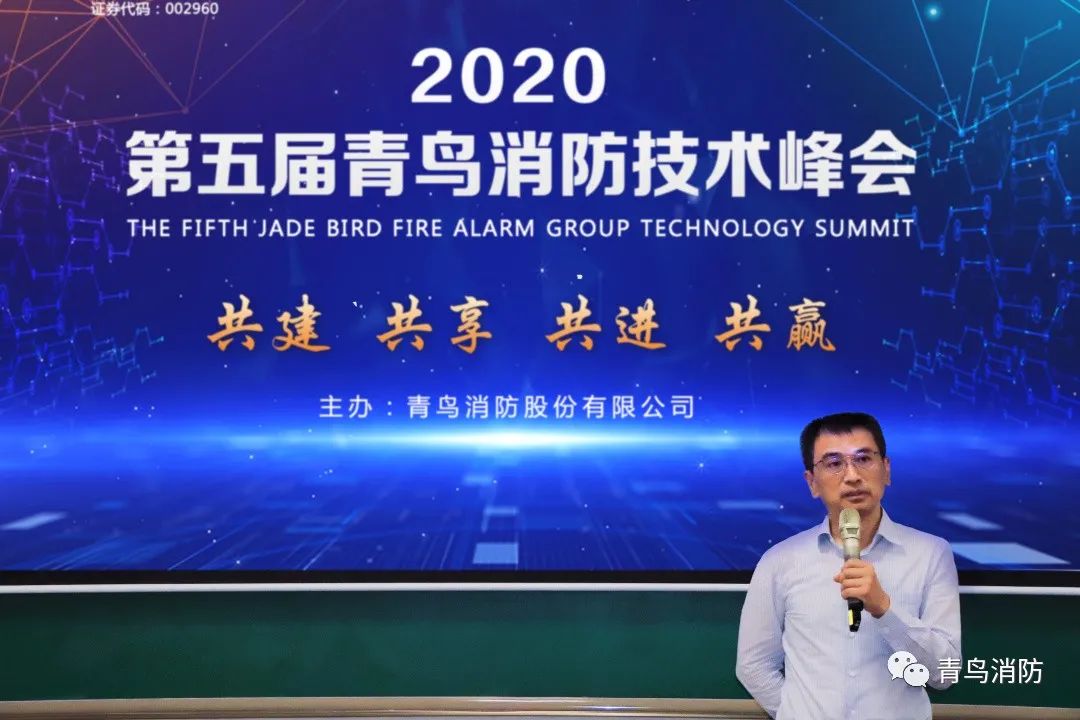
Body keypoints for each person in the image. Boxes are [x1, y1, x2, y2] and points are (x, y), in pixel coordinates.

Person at [736, 412, 961, 720]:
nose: (852, 476)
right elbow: (753, 665)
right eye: (834, 463)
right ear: (812, 483)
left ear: (886, 469)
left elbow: (945, 672)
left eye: (864, 459)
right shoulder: (780, 561)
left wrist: (884, 608)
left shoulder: (931, 553)